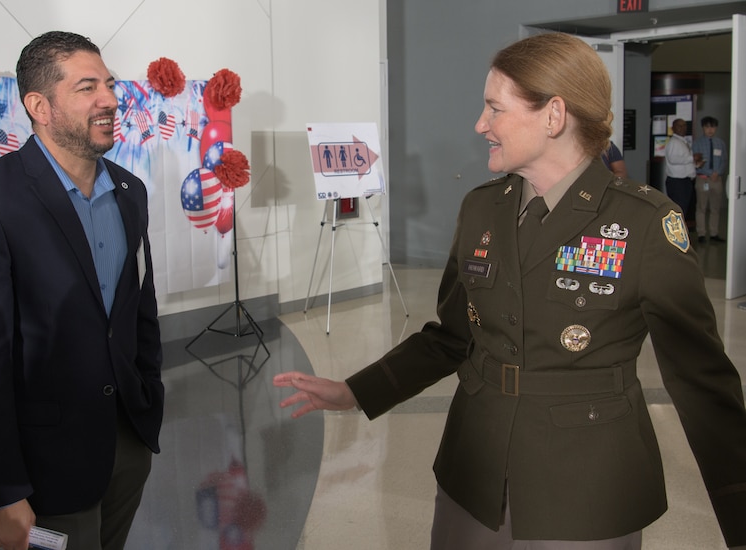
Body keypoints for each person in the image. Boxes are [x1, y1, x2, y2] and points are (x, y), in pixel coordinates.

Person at [274, 32, 746, 550]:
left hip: (587, 486)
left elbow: (702, 383)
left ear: (553, 115)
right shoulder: (482, 207)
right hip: (474, 470)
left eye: (494, 109)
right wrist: (354, 392)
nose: (481, 125)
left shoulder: (644, 223)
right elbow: (450, 339)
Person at [0, 31, 164, 550]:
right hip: (39, 466)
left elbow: (137, 307)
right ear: (39, 106)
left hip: (126, 444)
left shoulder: (130, 192)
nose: (108, 98)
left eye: (109, 84)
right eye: (87, 88)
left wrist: (148, 399)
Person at [693, 116, 729, 243]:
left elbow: (724, 161)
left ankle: (714, 233)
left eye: (712, 127)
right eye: (707, 127)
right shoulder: (697, 143)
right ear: (703, 128)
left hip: (717, 180)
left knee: (715, 208)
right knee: (701, 207)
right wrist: (709, 172)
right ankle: (701, 233)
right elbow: (696, 163)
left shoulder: (720, 143)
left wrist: (717, 172)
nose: (710, 130)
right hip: (703, 179)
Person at [664, 117, 702, 220]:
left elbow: (684, 161)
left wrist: (696, 164)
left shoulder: (683, 142)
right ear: (673, 128)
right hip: (677, 183)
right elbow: (673, 159)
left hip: (685, 181)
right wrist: (692, 158)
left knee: (683, 210)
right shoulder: (673, 142)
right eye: (679, 126)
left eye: (684, 125)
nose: (682, 128)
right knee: (678, 210)